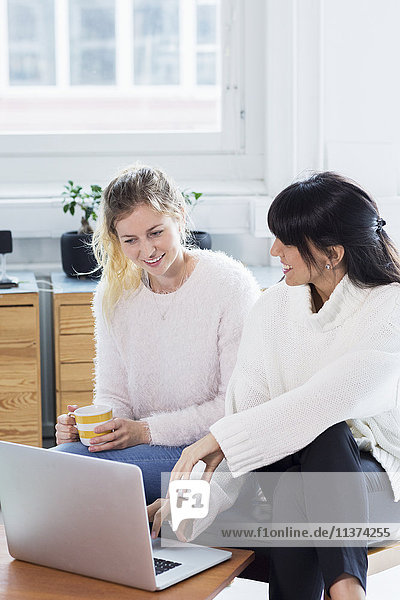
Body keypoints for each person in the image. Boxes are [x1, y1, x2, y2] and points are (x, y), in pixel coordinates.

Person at [150, 171, 400, 600]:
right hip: (295, 471)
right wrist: (191, 506)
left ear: (332, 253)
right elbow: (250, 421)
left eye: (285, 241)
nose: (273, 251)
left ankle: (344, 591)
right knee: (297, 478)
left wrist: (210, 442)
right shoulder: (272, 308)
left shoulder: (390, 307)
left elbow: (328, 399)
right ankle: (348, 592)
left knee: (323, 437)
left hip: (375, 478)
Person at [54, 164, 260, 504]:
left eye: (155, 232)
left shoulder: (229, 284)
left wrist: (145, 431)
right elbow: (114, 396)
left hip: (211, 455)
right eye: (130, 240)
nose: (147, 251)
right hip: (144, 447)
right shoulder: (116, 292)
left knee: (64, 472)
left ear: (179, 216)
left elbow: (234, 405)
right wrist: (95, 428)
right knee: (61, 458)